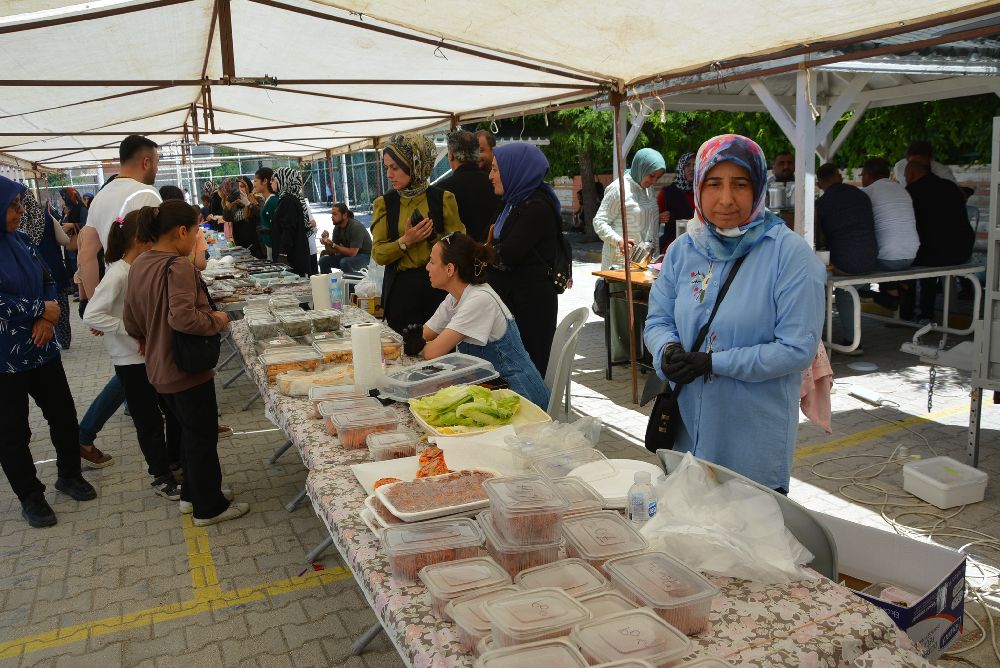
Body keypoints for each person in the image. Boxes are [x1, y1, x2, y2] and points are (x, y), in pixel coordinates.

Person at [643, 134, 825, 492]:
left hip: (751, 442)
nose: (725, 199)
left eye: (740, 184)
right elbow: (658, 319)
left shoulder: (790, 256)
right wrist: (666, 350)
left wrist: (713, 363)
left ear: (758, 187)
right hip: (686, 434)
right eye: (713, 184)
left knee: (748, 538)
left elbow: (796, 349)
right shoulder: (683, 251)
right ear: (697, 187)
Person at [123, 201, 247, 526]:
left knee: (192, 435)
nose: (197, 239)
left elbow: (131, 321)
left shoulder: (139, 264)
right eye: (195, 232)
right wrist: (218, 320)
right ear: (181, 232)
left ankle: (194, 495)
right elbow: (183, 317)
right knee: (202, 437)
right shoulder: (178, 266)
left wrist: (148, 340)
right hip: (185, 369)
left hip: (159, 369)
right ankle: (210, 507)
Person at [0, 176, 97, 528]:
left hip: (41, 349)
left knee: (63, 415)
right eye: (13, 206)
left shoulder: (22, 240)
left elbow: (49, 279)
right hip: (4, 362)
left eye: (19, 204)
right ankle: (30, 496)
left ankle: (69, 475)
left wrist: (48, 311)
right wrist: (41, 311)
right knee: (12, 433)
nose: (20, 211)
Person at [75, 135, 162, 470]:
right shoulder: (145, 194)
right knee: (134, 370)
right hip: (141, 293)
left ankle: (89, 431)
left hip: (117, 290)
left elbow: (87, 254)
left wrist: (94, 304)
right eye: (156, 161)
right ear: (146, 162)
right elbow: (155, 251)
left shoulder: (100, 197)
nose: (156, 167)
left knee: (132, 371)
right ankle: (84, 433)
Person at [83, 210, 181, 500]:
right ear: (141, 239)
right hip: (131, 361)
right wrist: (130, 330)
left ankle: (171, 462)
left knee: (169, 413)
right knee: (148, 421)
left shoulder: (136, 268)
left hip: (148, 356)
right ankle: (160, 476)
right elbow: (91, 314)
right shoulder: (118, 273)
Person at [403, 231, 550, 408]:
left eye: (432, 262)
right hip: (494, 391)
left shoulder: (479, 300)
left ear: (449, 269)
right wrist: (416, 339)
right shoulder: (455, 297)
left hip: (521, 396)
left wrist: (419, 345)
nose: (427, 267)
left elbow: (432, 352)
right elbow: (426, 332)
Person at [371, 133, 465, 333]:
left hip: (438, 288)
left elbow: (460, 249)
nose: (389, 174)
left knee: (440, 354)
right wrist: (406, 241)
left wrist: (433, 239)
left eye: (395, 168)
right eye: (386, 167)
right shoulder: (384, 204)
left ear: (415, 166)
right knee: (403, 352)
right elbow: (378, 254)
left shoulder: (443, 199)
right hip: (400, 289)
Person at [487, 142, 561, 376]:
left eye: (496, 170)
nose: (490, 176)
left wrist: (478, 251)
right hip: (515, 300)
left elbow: (509, 253)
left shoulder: (536, 207)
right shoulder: (513, 202)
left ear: (515, 170)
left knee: (528, 369)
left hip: (531, 306)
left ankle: (538, 412)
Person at [814, 163, 878, 351]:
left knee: (824, 282)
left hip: (845, 265)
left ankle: (850, 342)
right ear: (839, 176)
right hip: (872, 258)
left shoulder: (822, 204)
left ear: (819, 184)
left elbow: (819, 240)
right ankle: (868, 293)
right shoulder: (861, 195)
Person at [903, 160, 975, 322]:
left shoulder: (912, 191)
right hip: (963, 251)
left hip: (934, 255)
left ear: (910, 175)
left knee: (906, 258)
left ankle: (907, 313)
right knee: (929, 248)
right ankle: (924, 314)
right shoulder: (950, 187)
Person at [860, 157, 919, 309]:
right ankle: (899, 288)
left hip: (888, 260)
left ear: (867, 174)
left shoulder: (867, 192)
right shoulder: (901, 189)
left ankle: (878, 292)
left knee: (858, 257)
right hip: (911, 256)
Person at [593, 147, 666, 270]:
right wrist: (619, 241)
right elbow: (599, 222)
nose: (653, 181)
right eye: (651, 175)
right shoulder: (619, 189)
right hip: (620, 265)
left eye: (657, 178)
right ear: (641, 168)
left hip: (645, 263)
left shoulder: (649, 189)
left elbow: (645, 220)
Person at [19, 190, 73, 349]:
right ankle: (64, 340)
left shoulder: (13, 227)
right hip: (55, 270)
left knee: (40, 309)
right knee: (60, 308)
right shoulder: (47, 218)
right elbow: (65, 240)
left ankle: (47, 341)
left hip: (30, 278)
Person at [438, 130, 502, 242]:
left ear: (451, 155)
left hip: (457, 255)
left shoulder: (441, 190)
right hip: (490, 252)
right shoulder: (495, 184)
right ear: (476, 153)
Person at [270, 168, 313, 276]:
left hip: (292, 256)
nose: (271, 182)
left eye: (273, 179)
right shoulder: (288, 199)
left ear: (283, 180)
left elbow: (289, 229)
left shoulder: (288, 201)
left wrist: (283, 254)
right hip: (293, 252)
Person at [657, 152, 695, 251]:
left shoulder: (705, 192)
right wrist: (660, 218)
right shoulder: (667, 192)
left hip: (700, 245)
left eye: (695, 164)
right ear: (681, 168)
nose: (692, 169)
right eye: (687, 165)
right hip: (674, 247)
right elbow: (652, 218)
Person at [319, 203, 371, 274]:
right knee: (323, 260)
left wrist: (333, 245)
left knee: (344, 262)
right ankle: (328, 284)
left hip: (366, 256)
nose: (332, 217)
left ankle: (353, 284)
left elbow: (352, 253)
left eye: (335, 214)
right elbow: (332, 252)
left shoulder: (355, 227)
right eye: (332, 214)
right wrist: (326, 243)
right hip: (351, 256)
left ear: (345, 215)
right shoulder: (337, 227)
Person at [225, 177, 265, 259]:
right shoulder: (235, 204)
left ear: (248, 187)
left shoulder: (257, 199)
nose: (240, 189)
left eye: (242, 186)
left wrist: (248, 203)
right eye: (238, 187)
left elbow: (260, 214)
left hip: (256, 247)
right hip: (241, 248)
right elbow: (227, 218)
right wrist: (228, 203)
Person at [893, 141, 957, 186]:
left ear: (930, 159)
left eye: (918, 162)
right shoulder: (899, 166)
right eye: (911, 162)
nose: (915, 166)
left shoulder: (943, 172)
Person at [254, 167, 277, 260]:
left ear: (264, 181)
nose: (254, 184)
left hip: (273, 247)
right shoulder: (267, 200)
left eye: (255, 181)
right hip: (269, 247)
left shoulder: (272, 201)